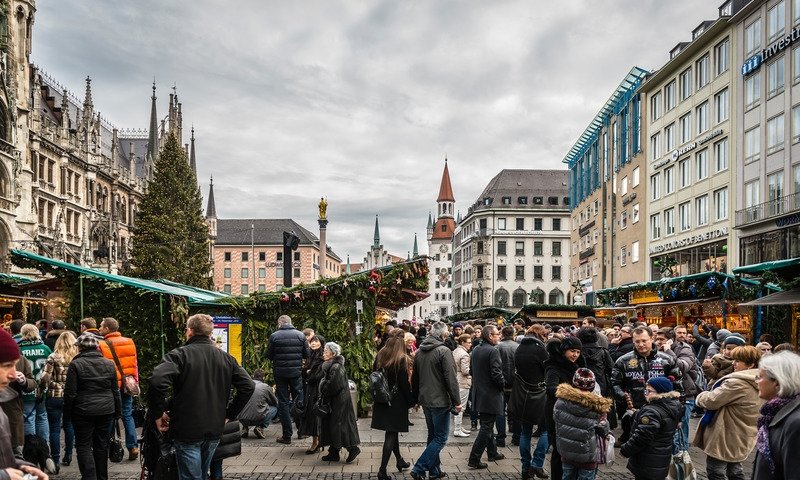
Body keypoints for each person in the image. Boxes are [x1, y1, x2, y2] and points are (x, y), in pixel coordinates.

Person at [150, 314, 254, 480]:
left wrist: (158, 413)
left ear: (190, 331)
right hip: (214, 427)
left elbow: (157, 381)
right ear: (209, 333)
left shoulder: (179, 355)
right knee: (201, 473)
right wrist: (229, 414)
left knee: (192, 476)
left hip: (187, 428)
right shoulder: (226, 358)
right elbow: (248, 386)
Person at [694, 345, 762, 480]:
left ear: (750, 364)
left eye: (738, 361)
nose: (733, 363)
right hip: (745, 431)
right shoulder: (760, 380)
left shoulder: (738, 383)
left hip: (726, 432)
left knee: (716, 470)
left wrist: (701, 396)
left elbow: (711, 400)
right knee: (735, 469)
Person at [64, 332, 120, 480]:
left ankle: (89, 477)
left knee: (83, 446)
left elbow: (70, 393)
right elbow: (115, 390)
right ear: (97, 347)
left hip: (83, 410)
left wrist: (67, 414)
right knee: (101, 446)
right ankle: (102, 477)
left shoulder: (76, 364)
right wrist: (117, 412)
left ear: (80, 348)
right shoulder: (109, 363)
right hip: (106, 409)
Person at [611, 326, 681, 444]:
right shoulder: (623, 361)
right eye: (637, 341)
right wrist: (623, 396)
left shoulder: (667, 360)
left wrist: (678, 413)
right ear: (633, 341)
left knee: (660, 445)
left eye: (644, 340)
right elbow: (614, 384)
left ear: (652, 338)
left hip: (663, 410)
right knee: (636, 444)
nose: (641, 344)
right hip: (635, 410)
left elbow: (678, 385)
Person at [410, 321, 461, 480]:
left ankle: (434, 471)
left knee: (433, 436)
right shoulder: (444, 351)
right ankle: (419, 468)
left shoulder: (420, 351)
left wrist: (416, 398)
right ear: (444, 334)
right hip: (440, 401)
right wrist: (457, 401)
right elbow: (451, 379)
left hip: (426, 399)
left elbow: (415, 378)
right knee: (440, 438)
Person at [0, 328, 50, 480]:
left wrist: (21, 467)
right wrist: (5, 475)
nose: (12, 374)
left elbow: (32, 382)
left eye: (14, 365)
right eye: (7, 365)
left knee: (17, 447)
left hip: (15, 408)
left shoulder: (22, 358)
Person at [620, 376, 683, 480]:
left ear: (660, 392)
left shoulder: (652, 411)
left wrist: (625, 450)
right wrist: (638, 414)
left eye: (649, 391)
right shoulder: (673, 405)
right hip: (661, 458)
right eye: (645, 390)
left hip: (647, 460)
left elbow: (642, 437)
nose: (645, 393)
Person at [553, 368, 611, 480]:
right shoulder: (597, 407)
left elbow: (556, 418)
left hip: (567, 452)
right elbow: (604, 430)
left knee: (567, 476)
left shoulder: (560, 402)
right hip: (587, 455)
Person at [752, 351, 800, 479]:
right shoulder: (774, 414)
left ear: (777, 382)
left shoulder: (795, 423)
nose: (756, 381)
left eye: (760, 377)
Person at [371, 331, 412, 480]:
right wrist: (411, 401)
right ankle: (382, 470)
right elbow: (404, 385)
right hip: (396, 402)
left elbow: (374, 374)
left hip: (382, 399)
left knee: (392, 431)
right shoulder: (401, 359)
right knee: (391, 434)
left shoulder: (380, 355)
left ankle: (400, 460)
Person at [97, 317, 139, 460]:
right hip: (127, 384)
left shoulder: (101, 345)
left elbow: (101, 367)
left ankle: (109, 446)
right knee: (127, 414)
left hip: (111, 386)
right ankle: (133, 446)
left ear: (107, 329)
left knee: (109, 415)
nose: (99, 329)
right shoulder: (129, 342)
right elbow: (134, 364)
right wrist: (135, 381)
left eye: (101, 326)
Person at [544, 335, 585, 480]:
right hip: (556, 413)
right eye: (572, 351)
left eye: (578, 352)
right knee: (558, 451)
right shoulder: (553, 367)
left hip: (570, 413)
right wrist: (574, 394)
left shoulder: (576, 366)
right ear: (564, 351)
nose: (575, 355)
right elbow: (551, 388)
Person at [266, 315, 309, 444]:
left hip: (280, 373)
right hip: (296, 373)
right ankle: (301, 431)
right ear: (290, 322)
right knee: (298, 400)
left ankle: (287, 436)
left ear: (279, 323)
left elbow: (269, 355)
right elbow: (307, 354)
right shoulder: (300, 335)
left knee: (283, 402)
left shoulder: (274, 336)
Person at [467, 325, 505, 469]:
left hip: (480, 393)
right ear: (490, 336)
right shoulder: (493, 350)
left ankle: (492, 452)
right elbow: (496, 373)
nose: (499, 336)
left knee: (487, 424)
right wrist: (502, 386)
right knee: (486, 426)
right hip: (490, 394)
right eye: (496, 334)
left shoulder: (476, 349)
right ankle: (474, 458)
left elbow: (472, 370)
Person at [514, 324, 549, 480]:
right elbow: (546, 370)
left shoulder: (519, 348)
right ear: (539, 334)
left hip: (523, 395)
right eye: (544, 335)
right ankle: (537, 464)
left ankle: (525, 468)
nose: (545, 337)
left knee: (525, 432)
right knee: (546, 430)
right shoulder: (540, 349)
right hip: (539, 394)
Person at [40, 330, 78, 471]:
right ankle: (68, 454)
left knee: (54, 428)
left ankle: (55, 459)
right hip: (72, 396)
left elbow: (45, 377)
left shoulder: (53, 357)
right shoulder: (77, 357)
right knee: (69, 425)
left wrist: (41, 390)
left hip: (54, 395)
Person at [318, 342, 360, 463]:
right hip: (336, 402)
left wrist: (323, 387)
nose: (323, 353)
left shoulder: (336, 367)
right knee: (334, 425)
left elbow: (334, 386)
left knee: (340, 426)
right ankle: (333, 452)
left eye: (326, 351)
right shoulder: (332, 365)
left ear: (333, 354)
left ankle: (352, 448)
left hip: (339, 403)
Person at [668, 324, 700, 447]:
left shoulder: (686, 348)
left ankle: (683, 450)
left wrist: (668, 351)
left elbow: (682, 367)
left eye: (684, 333)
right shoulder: (670, 346)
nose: (682, 335)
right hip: (674, 392)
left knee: (683, 424)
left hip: (686, 392)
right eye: (679, 333)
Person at [18, 324, 51, 441]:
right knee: (42, 416)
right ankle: (43, 446)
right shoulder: (45, 348)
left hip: (26, 387)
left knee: (28, 417)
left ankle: (31, 446)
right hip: (42, 388)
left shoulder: (20, 349)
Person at [298, 334, 325, 453]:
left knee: (315, 416)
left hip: (317, 390)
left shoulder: (322, 356)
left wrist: (309, 373)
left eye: (316, 341)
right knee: (312, 415)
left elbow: (318, 375)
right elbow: (305, 372)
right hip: (310, 389)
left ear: (321, 343)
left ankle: (316, 443)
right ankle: (317, 442)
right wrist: (307, 371)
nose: (313, 343)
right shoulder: (310, 355)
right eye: (312, 341)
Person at [236, 369, 278, 439]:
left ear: (253, 376)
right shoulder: (265, 387)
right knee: (274, 408)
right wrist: (272, 392)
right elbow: (275, 402)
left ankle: (245, 427)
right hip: (258, 419)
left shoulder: (245, 385)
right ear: (263, 377)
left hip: (242, 418)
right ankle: (260, 427)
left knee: (245, 406)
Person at [495, 325, 518, 447]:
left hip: (500, 383)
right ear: (513, 334)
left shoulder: (497, 347)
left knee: (500, 411)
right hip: (515, 383)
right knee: (516, 410)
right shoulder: (518, 347)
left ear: (502, 334)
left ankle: (500, 438)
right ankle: (516, 437)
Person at [452, 333, 472, 437]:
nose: (470, 344)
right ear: (463, 342)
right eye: (468, 342)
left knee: (458, 405)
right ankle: (457, 429)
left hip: (456, 379)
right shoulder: (464, 354)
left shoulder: (455, 351)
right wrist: (473, 370)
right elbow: (465, 371)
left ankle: (459, 427)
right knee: (461, 407)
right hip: (463, 382)